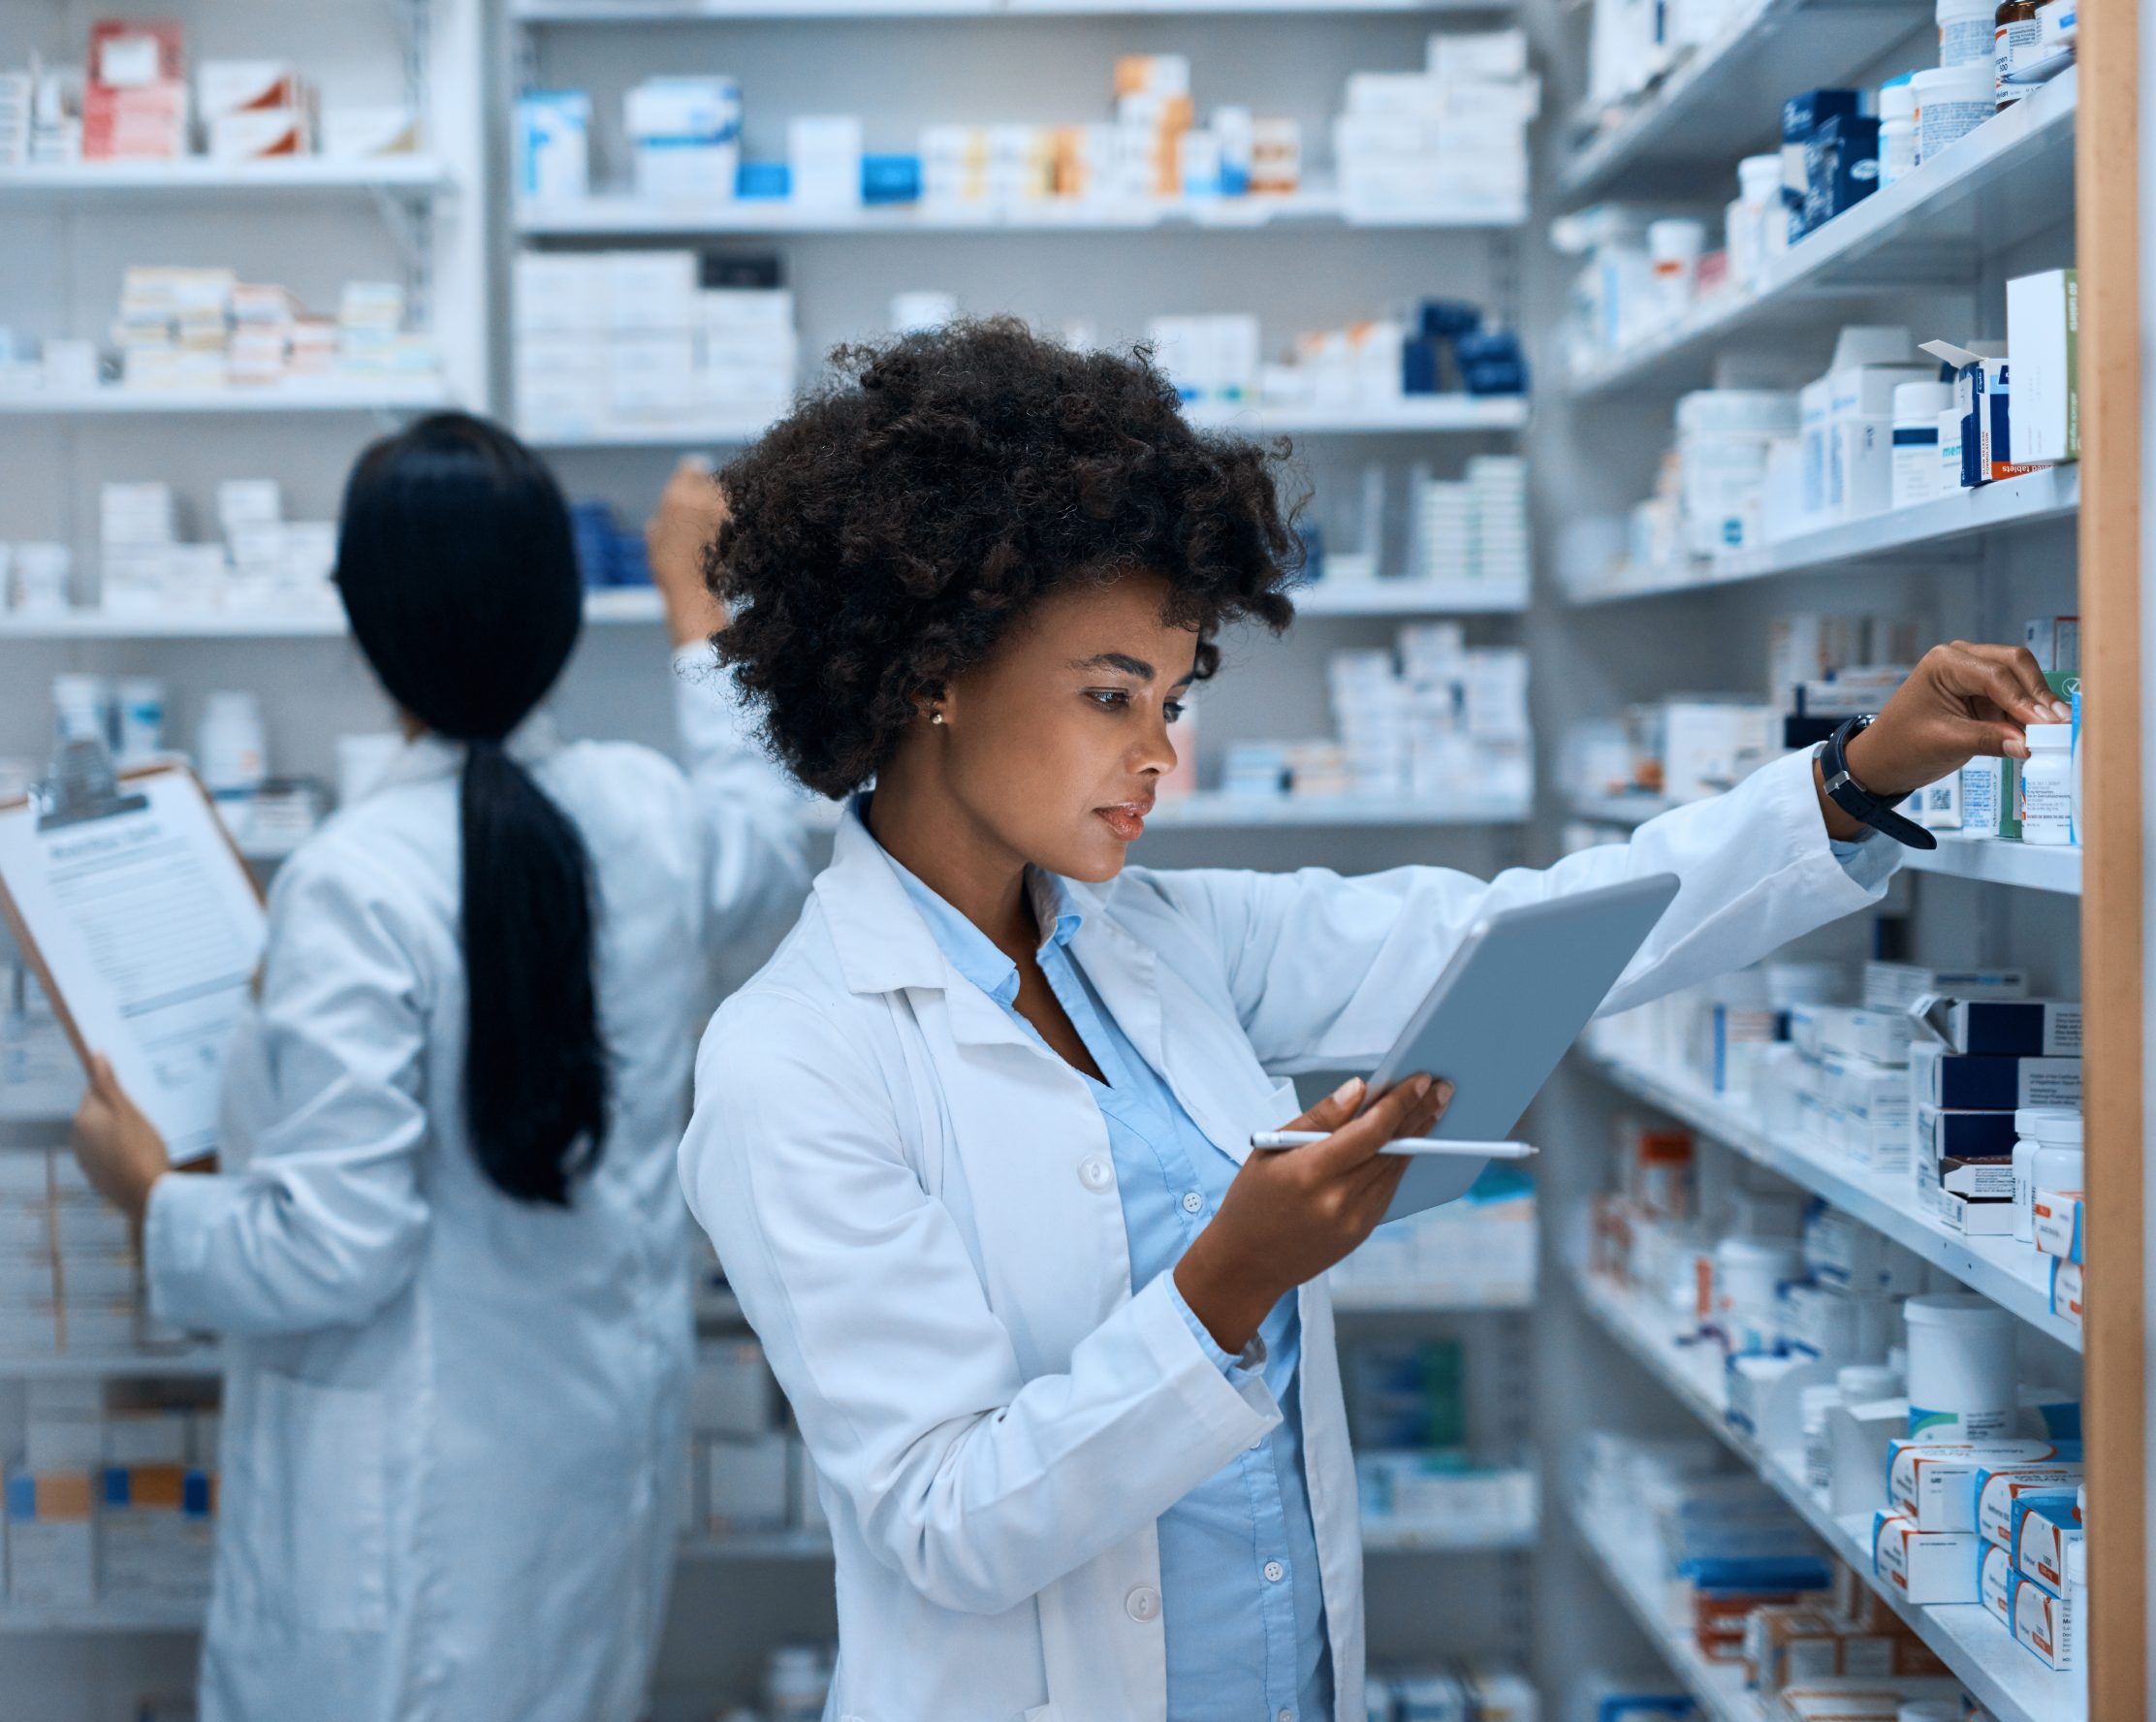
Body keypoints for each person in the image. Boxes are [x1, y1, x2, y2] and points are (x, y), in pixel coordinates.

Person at [678, 319, 2066, 1722]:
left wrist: (1854, 777)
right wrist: (1230, 1280)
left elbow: (1522, 940)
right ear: (934, 675)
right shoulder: (793, 1061)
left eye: (1170, 696)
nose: (1160, 752)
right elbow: (945, 1520)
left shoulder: (1156, 942)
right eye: (1110, 696)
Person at [66, 417, 808, 1722]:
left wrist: (149, 1193)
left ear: (365, 625)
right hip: (586, 1464)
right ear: (561, 611)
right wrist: (698, 606)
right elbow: (765, 827)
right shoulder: (649, 818)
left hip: (405, 1501)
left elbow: (328, 1253)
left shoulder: (357, 877)